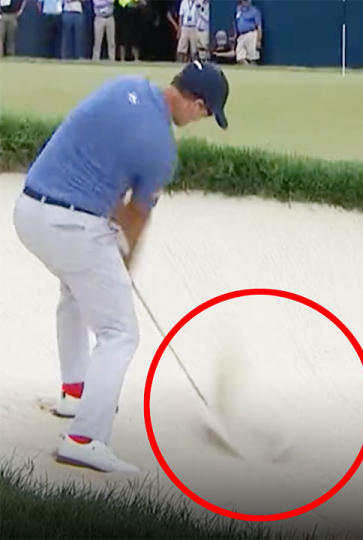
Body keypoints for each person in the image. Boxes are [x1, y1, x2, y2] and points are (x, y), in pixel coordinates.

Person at [13, 60, 229, 474]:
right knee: (120, 332)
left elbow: (91, 154)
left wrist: (104, 228)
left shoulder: (122, 87)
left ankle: (75, 393)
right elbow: (136, 218)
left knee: (75, 290)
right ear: (197, 104)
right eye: (205, 114)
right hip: (70, 224)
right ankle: (85, 438)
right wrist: (123, 265)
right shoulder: (161, 152)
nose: (200, 120)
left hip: (28, 211)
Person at [233, 0, 261, 65]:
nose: (245, 2)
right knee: (239, 57)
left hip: (251, 34)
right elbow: (235, 22)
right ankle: (247, 68)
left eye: (247, 1)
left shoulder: (255, 11)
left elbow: (259, 27)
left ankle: (254, 72)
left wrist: (258, 40)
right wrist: (235, 34)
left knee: (252, 58)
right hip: (241, 35)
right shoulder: (238, 9)